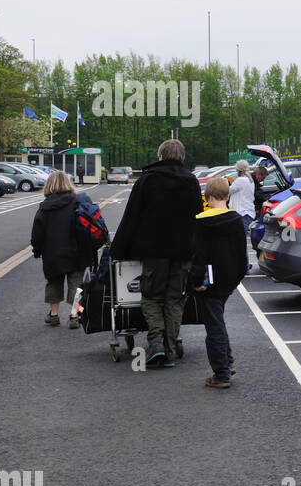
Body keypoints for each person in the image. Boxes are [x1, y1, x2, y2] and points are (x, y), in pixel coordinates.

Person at [109, 139, 202, 367]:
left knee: (151, 296)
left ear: (161, 156)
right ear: (182, 157)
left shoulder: (147, 180)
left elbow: (132, 216)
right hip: (183, 252)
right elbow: (198, 218)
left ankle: (156, 343)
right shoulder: (191, 181)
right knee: (175, 299)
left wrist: (118, 249)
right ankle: (170, 350)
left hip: (154, 251)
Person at [190, 177, 248, 388]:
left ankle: (221, 373)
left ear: (210, 198)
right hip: (228, 280)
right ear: (228, 196)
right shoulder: (237, 221)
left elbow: (199, 256)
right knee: (218, 321)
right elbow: (242, 256)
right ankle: (228, 360)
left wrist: (196, 281)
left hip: (208, 282)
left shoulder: (201, 222)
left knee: (213, 327)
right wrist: (236, 278)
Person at [30, 171, 96, 329]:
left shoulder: (45, 207)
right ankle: (75, 315)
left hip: (53, 253)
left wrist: (37, 250)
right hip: (78, 251)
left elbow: (37, 233)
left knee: (54, 282)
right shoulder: (80, 201)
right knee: (77, 284)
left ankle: (53, 315)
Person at [228, 160, 256, 271]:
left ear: (238, 170)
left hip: (241, 213)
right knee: (241, 241)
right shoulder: (250, 180)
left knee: (240, 242)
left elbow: (228, 192)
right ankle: (243, 266)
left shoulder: (239, 180)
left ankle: (244, 268)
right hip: (248, 213)